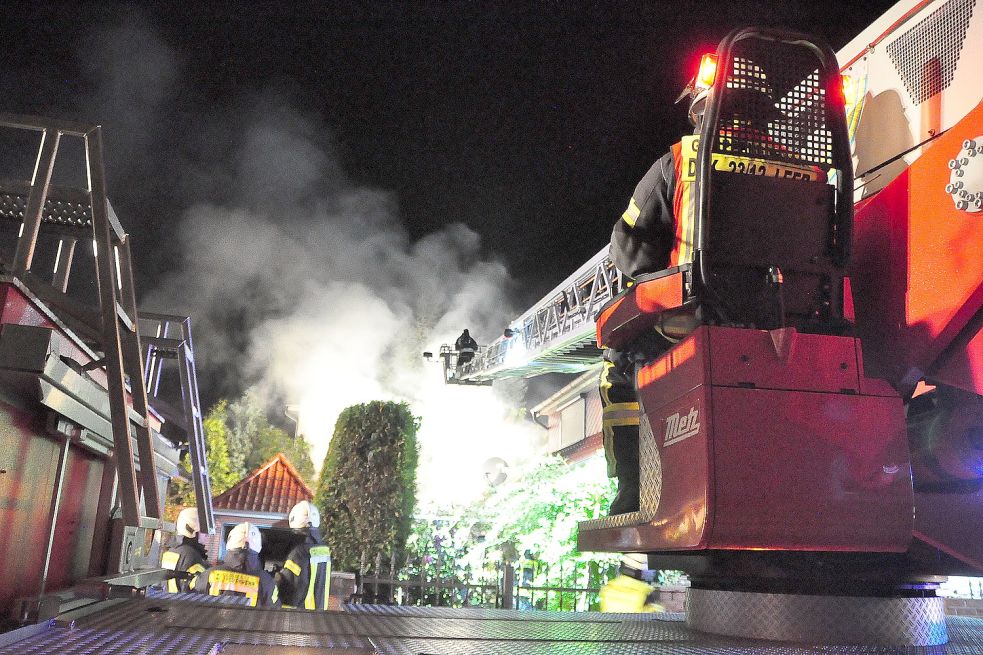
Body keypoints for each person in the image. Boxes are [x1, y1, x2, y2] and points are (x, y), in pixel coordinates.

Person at [602, 82, 787, 515]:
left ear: (702, 112)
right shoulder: (802, 166)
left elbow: (630, 249)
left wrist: (657, 279)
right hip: (777, 321)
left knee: (618, 366)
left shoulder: (680, 160)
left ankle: (635, 490)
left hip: (692, 319)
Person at [193, 522, 279, 607]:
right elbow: (274, 613)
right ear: (258, 547)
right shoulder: (267, 582)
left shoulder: (208, 575)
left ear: (230, 543)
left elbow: (190, 602)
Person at [276, 501, 333, 610]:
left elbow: (291, 593)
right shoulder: (324, 549)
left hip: (300, 616)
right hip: (319, 613)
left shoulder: (298, 553)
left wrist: (277, 579)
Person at [161, 507, 208, 593]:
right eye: (204, 531)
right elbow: (199, 589)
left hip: (167, 602)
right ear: (191, 530)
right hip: (184, 604)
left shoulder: (171, 551)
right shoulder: (192, 556)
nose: (207, 536)